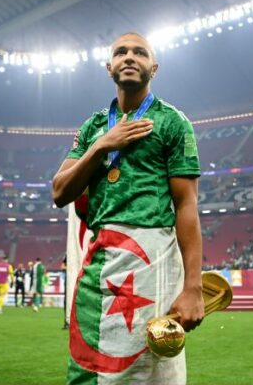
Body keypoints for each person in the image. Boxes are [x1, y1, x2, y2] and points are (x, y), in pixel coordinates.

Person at [52, 32, 204, 384]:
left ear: (154, 67)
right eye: (121, 52)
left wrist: (193, 286)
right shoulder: (93, 127)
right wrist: (102, 146)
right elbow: (60, 192)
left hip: (152, 262)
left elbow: (187, 205)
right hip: (99, 260)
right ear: (109, 68)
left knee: (149, 370)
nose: (129, 57)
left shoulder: (172, 122)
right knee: (87, 368)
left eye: (139, 52)